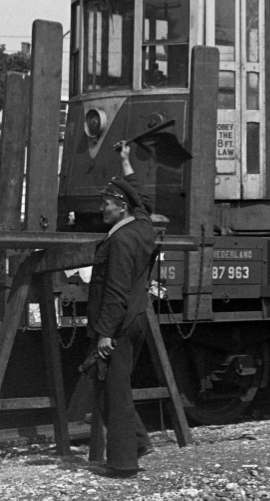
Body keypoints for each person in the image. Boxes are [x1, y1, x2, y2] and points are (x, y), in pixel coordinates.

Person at [87, 142, 157, 478]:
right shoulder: (142, 227)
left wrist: (104, 334)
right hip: (136, 319)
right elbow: (143, 198)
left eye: (107, 204)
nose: (102, 208)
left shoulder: (119, 241)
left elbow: (114, 292)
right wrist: (127, 161)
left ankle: (123, 463)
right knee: (108, 384)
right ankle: (138, 440)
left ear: (121, 207)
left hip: (119, 324)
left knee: (115, 390)